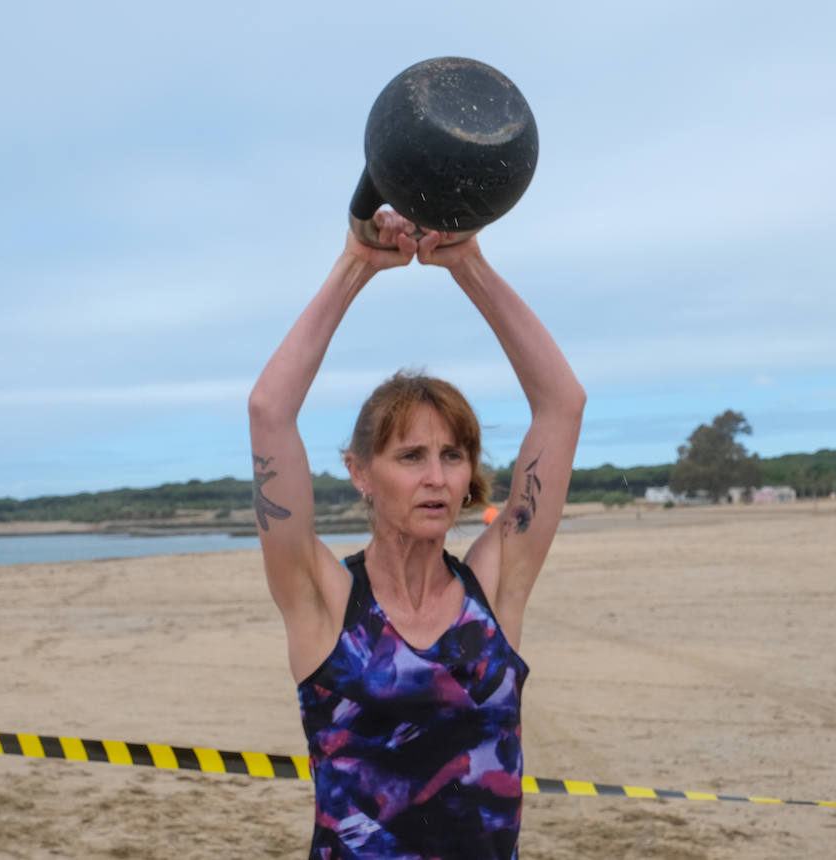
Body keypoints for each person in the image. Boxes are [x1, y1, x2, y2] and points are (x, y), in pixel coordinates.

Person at [248, 211, 586, 858]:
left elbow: (562, 405)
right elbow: (269, 410)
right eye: (410, 457)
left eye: (452, 456)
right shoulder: (324, 600)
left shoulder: (494, 590)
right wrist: (355, 264)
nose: (436, 478)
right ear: (360, 472)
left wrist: (468, 263)